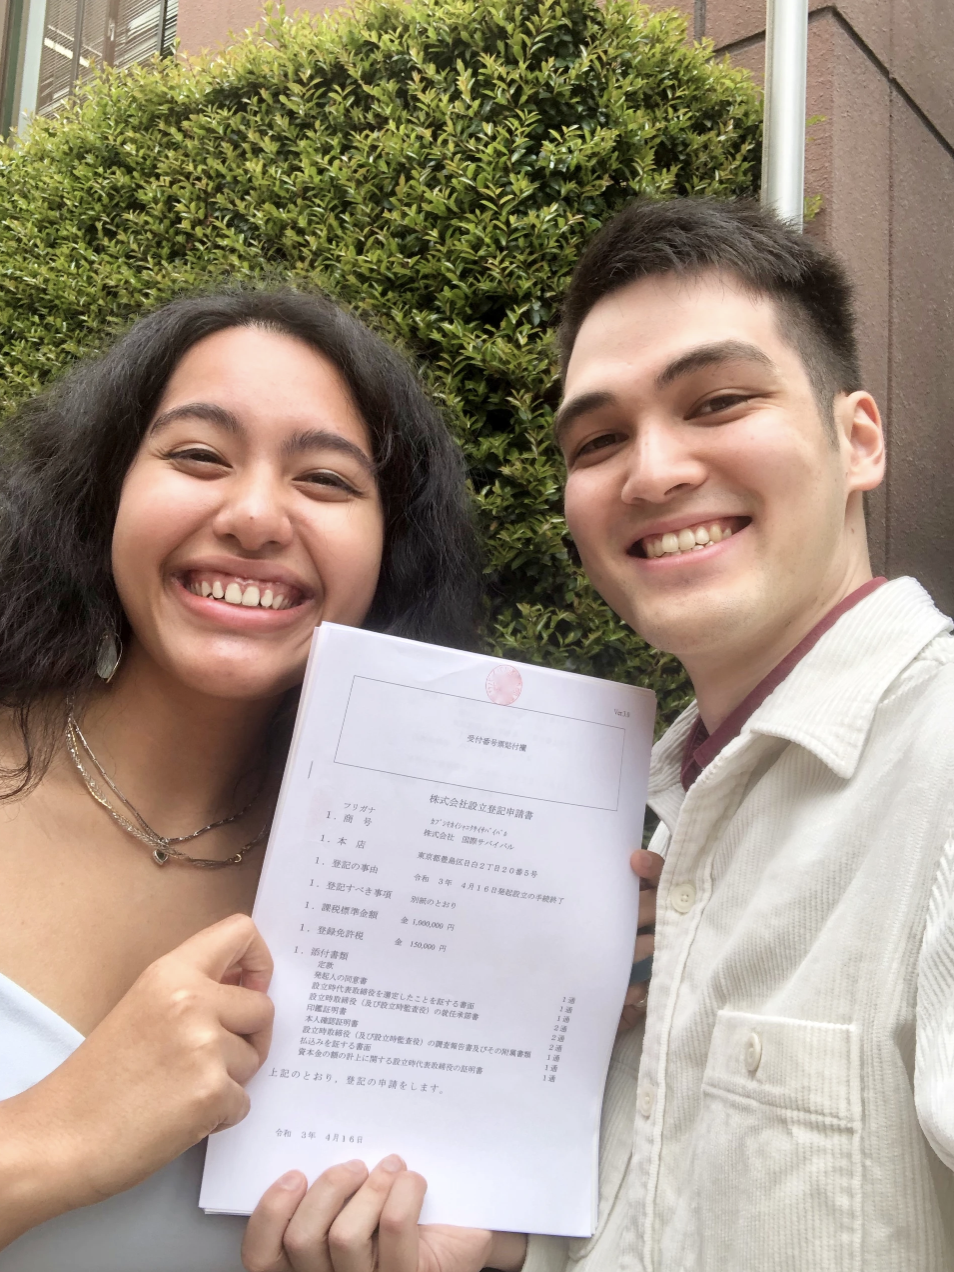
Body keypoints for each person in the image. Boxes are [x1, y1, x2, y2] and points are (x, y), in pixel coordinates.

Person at [0, 284, 496, 1271]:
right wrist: (59, 1134)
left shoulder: (427, 891)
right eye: (197, 456)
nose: (257, 516)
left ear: (390, 550)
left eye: (326, 480)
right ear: (106, 494)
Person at [516, 198, 954, 1270]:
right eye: (599, 440)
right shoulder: (641, 833)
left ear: (858, 440)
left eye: (716, 401)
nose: (652, 472)